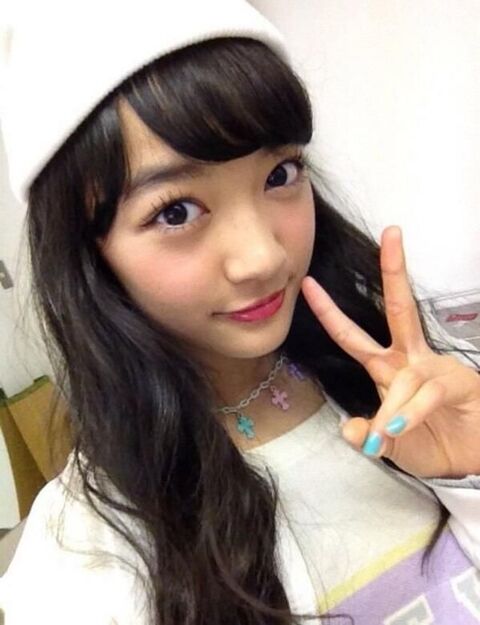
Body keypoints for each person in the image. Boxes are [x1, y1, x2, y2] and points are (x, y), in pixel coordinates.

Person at [1, 2, 479, 624]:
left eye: (280, 173)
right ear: (89, 255)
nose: (263, 256)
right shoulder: (81, 565)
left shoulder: (411, 379)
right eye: (175, 212)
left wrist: (470, 476)